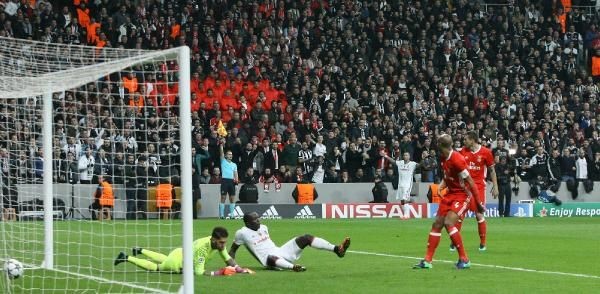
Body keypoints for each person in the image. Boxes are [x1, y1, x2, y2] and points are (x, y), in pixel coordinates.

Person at [414, 134, 483, 270]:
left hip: (462, 196)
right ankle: (427, 261)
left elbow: (471, 182)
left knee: (448, 223)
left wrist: (479, 203)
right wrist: (441, 185)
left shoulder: (457, 159)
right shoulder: (442, 157)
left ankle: (464, 259)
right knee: (437, 223)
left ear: (440, 145)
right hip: (450, 194)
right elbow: (448, 176)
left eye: (437, 142)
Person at [229, 212, 351, 272]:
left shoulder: (264, 227)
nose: (258, 221)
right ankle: (293, 267)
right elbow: (233, 250)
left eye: (258, 218)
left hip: (280, 252)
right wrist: (231, 266)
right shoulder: (241, 233)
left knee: (306, 238)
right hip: (269, 260)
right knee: (271, 257)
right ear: (247, 223)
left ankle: (337, 250)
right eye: (255, 220)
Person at [114, 227, 253, 276]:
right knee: (157, 268)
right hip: (177, 263)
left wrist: (240, 269)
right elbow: (199, 273)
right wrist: (220, 272)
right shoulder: (203, 249)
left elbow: (228, 259)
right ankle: (126, 258)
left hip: (179, 252)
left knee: (164, 258)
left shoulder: (216, 244)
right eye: (221, 242)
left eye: (225, 242)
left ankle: (140, 250)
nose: (224, 245)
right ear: (213, 240)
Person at [452, 131, 498, 251]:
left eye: (466, 139)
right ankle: (454, 242)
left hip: (479, 187)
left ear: (472, 140)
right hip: (465, 188)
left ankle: (482, 243)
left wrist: (495, 186)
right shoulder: (462, 152)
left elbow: (492, 170)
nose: (464, 141)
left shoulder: (486, 152)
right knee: (459, 214)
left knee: (479, 215)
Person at [380, 151, 417, 219]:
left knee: (405, 198)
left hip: (408, 184)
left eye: (407, 155)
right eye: (404, 155)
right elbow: (393, 161)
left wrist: (424, 159)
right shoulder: (400, 163)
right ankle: (407, 210)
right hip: (400, 184)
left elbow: (420, 165)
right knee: (402, 200)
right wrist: (385, 156)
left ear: (409, 157)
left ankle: (406, 216)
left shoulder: (413, 164)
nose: (405, 156)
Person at [219, 138, 239, 219]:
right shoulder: (223, 161)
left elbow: (235, 174)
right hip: (224, 181)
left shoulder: (234, 164)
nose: (230, 155)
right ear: (226, 155)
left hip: (231, 182)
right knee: (223, 197)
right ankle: (222, 215)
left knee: (232, 198)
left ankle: (232, 215)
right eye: (229, 154)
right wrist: (221, 145)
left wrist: (236, 183)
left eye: (231, 154)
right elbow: (221, 152)